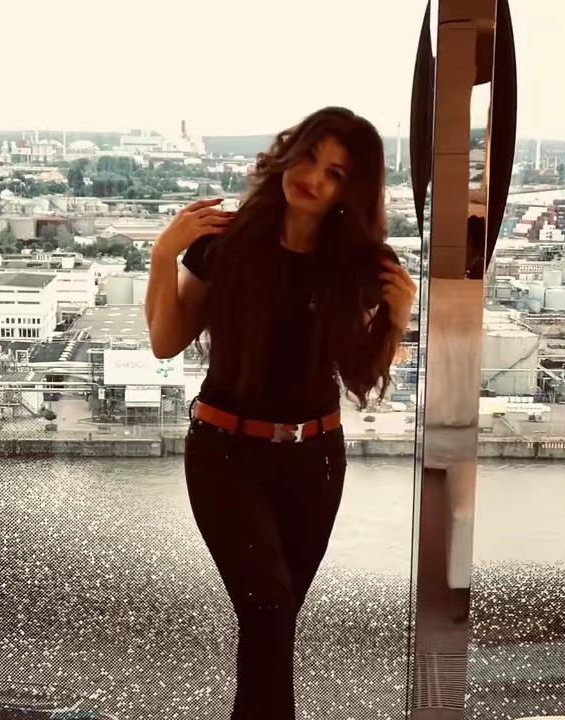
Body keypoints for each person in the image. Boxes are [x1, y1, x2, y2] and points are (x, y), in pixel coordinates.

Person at [145, 106, 416, 720]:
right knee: (268, 608)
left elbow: (361, 375)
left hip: (315, 460)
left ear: (351, 190)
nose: (313, 178)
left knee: (273, 620)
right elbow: (166, 340)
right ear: (289, 153)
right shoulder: (225, 242)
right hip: (225, 453)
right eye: (310, 157)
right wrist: (164, 255)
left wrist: (395, 320)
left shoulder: (360, 265)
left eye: (335, 173)